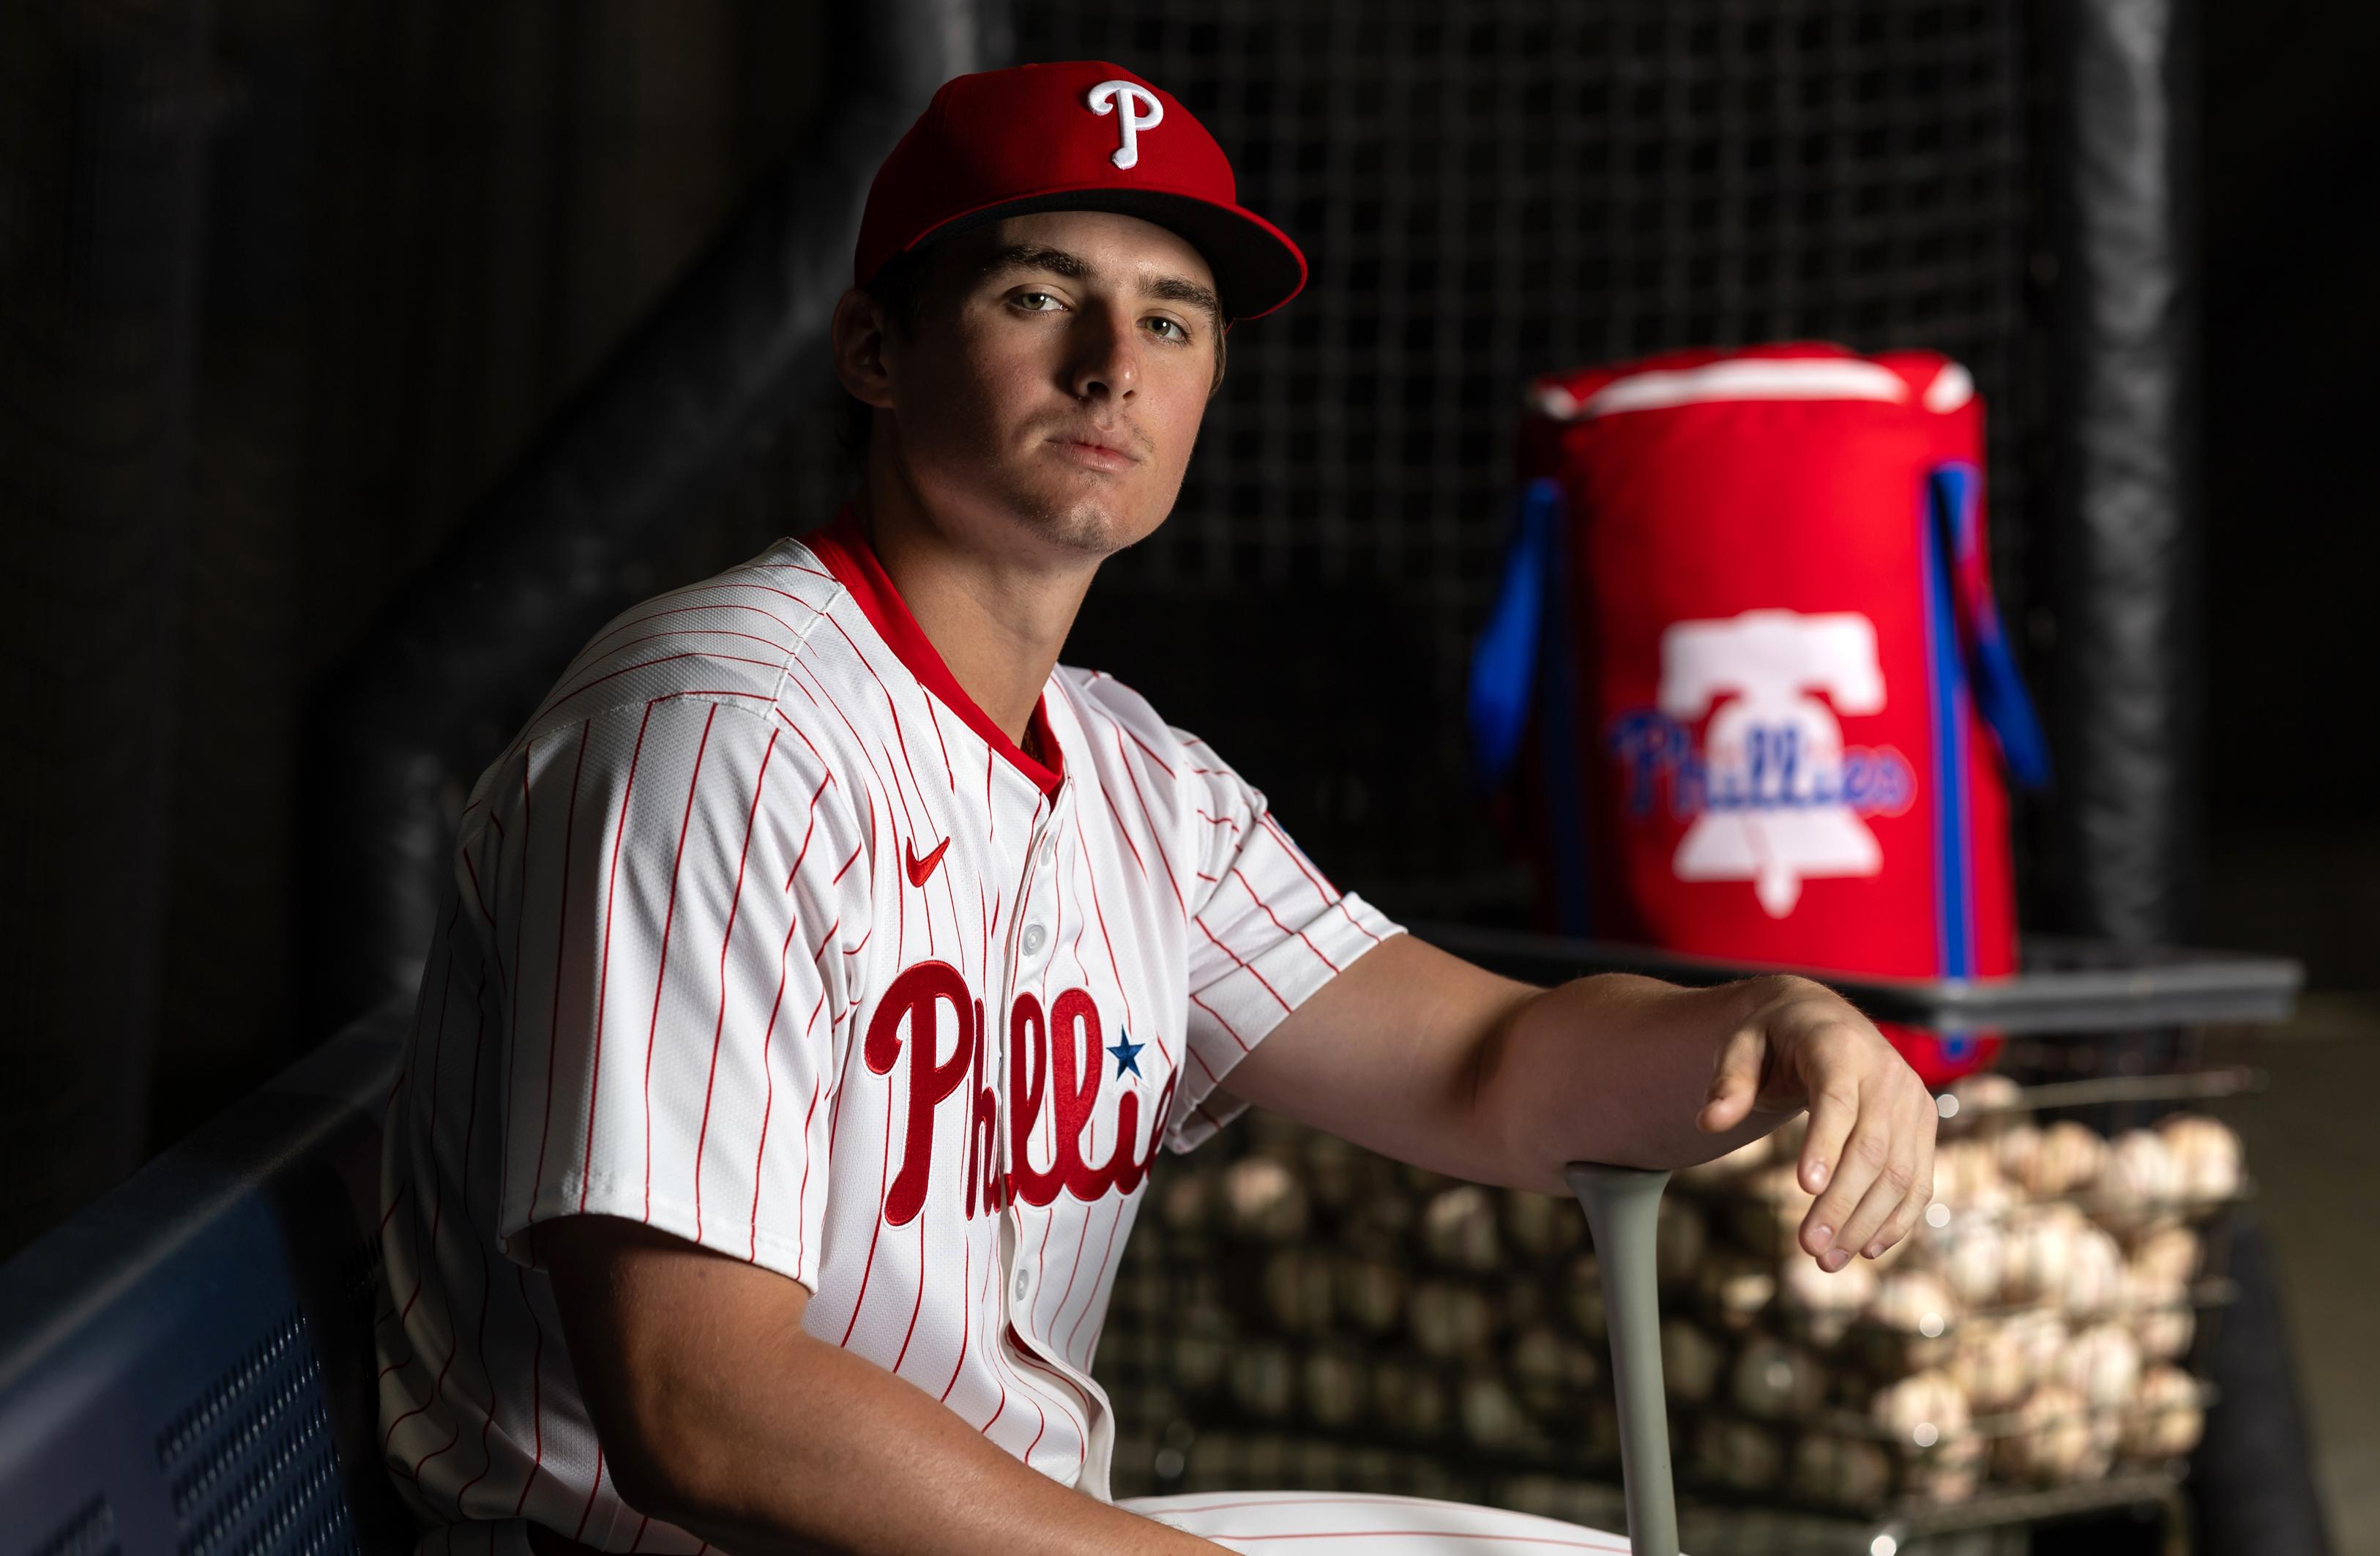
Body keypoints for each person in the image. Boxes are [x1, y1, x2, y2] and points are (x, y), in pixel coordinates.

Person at [375, 60, 1939, 1556]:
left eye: (1173, 318)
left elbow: (1492, 1068)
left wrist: (1778, 1021)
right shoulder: (725, 729)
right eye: (1039, 294)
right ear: (871, 347)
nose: (1113, 362)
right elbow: (698, 1406)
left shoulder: (1138, 782)